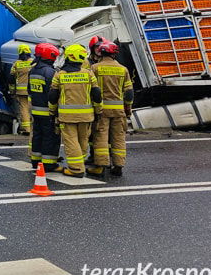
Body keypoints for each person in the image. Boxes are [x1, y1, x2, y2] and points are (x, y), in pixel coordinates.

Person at [48, 44, 102, 177]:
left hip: (67, 117)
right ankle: (79, 163)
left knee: (71, 141)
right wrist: (98, 111)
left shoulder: (59, 75)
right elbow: (97, 94)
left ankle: (76, 169)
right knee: (83, 140)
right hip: (87, 117)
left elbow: (53, 96)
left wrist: (52, 112)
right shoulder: (89, 74)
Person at [87, 41, 133, 178]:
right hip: (119, 110)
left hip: (102, 110)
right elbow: (129, 92)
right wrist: (128, 108)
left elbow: (92, 91)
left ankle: (100, 166)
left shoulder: (94, 68)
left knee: (100, 137)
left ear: (101, 53)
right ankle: (118, 165)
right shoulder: (123, 69)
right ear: (114, 54)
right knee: (118, 137)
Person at [28, 43, 62, 172]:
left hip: (36, 110)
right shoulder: (50, 72)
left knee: (37, 135)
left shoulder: (33, 70)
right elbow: (54, 93)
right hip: (48, 112)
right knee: (50, 137)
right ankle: (49, 164)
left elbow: (29, 90)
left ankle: (36, 161)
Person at [9, 44, 34, 135]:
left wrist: (12, 91)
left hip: (21, 91)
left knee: (24, 109)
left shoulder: (16, 64)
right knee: (33, 108)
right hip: (33, 90)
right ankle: (34, 128)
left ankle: (27, 129)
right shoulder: (33, 62)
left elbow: (11, 78)